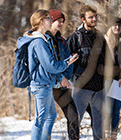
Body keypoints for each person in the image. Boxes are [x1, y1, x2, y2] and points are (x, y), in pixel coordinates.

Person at [16, 9, 78, 140]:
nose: (51, 21)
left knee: (50, 116)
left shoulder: (41, 40)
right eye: (48, 19)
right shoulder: (38, 42)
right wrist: (67, 62)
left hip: (46, 84)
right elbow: (51, 65)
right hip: (41, 85)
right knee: (40, 120)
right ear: (40, 22)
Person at [66, 5, 106, 140]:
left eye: (95, 17)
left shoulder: (100, 37)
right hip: (81, 87)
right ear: (83, 19)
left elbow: (107, 59)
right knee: (75, 119)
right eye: (90, 17)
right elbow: (66, 61)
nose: (94, 19)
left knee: (99, 122)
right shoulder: (75, 37)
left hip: (99, 87)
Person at [45, 9, 79, 140]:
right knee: (46, 118)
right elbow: (48, 64)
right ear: (51, 20)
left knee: (73, 115)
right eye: (58, 20)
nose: (61, 24)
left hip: (62, 85)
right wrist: (61, 78)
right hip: (48, 83)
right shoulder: (44, 40)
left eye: (62, 21)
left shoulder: (62, 40)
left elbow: (68, 61)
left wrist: (66, 78)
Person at [103, 17, 121, 140]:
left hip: (120, 81)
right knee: (108, 109)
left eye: (119, 26)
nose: (117, 27)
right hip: (108, 80)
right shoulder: (104, 41)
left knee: (116, 110)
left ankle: (113, 135)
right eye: (115, 25)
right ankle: (106, 135)